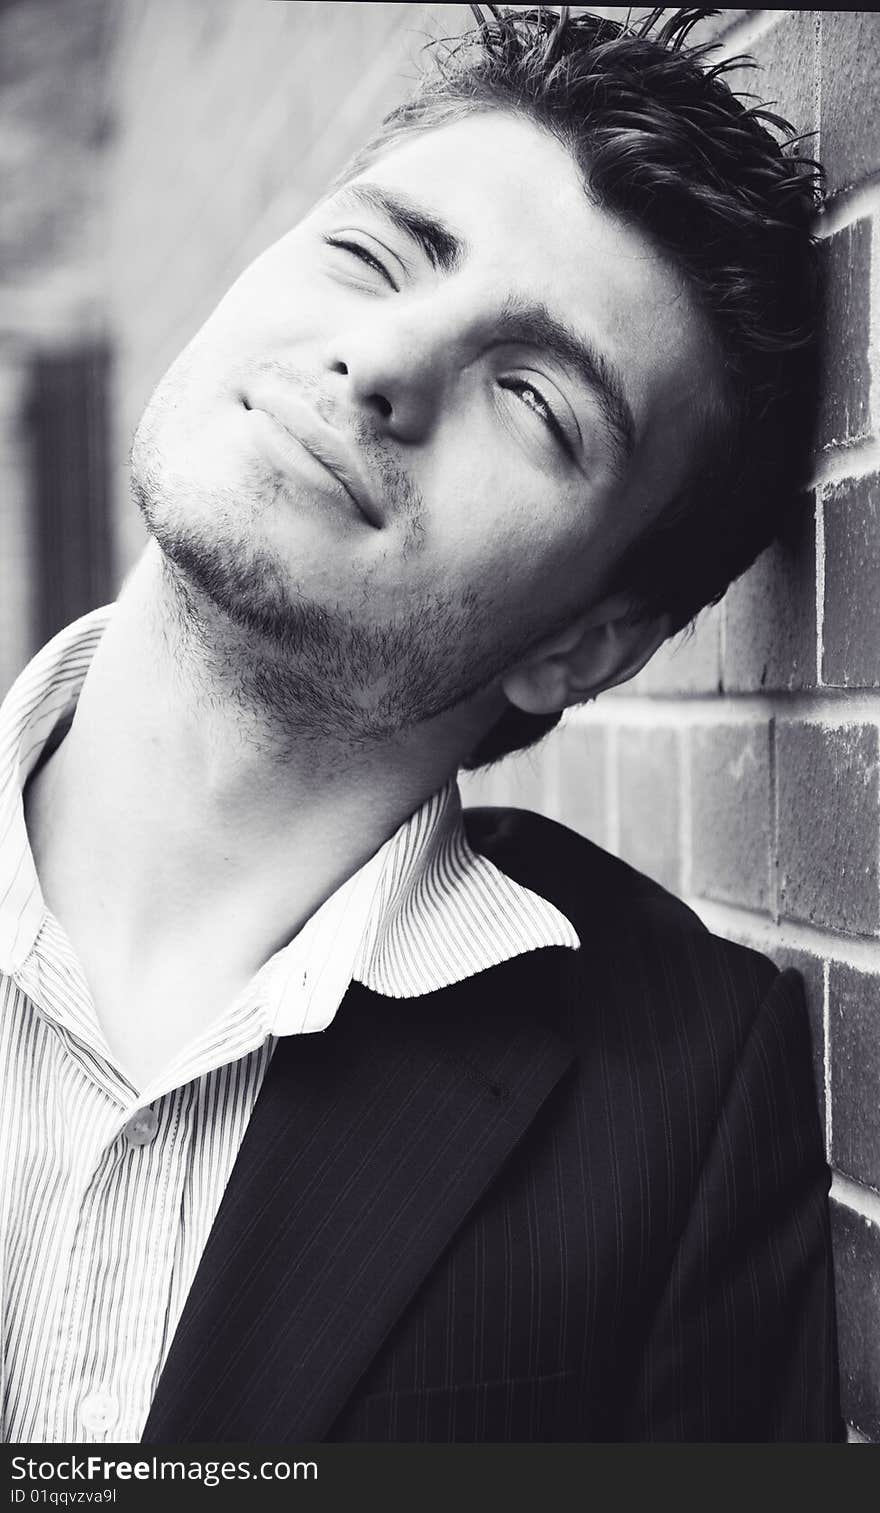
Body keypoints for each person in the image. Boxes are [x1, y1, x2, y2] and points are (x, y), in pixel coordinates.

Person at [0, 5, 842, 1443]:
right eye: (373, 253)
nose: (384, 359)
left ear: (585, 640)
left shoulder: (686, 1091)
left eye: (533, 395)